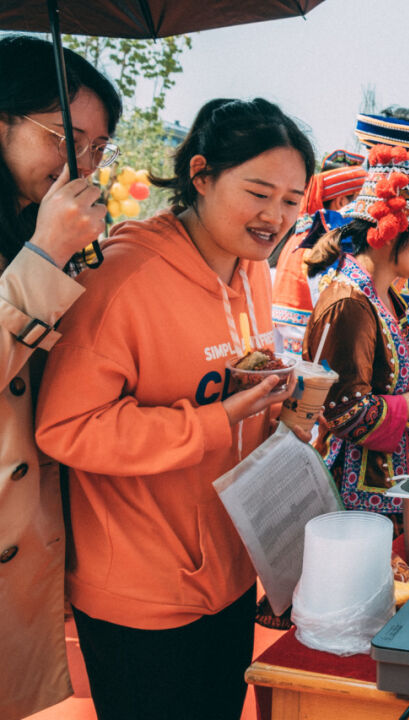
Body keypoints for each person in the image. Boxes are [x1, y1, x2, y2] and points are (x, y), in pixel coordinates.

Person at [34, 98, 314, 719]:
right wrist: (217, 420)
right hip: (143, 595)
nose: (275, 216)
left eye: (292, 201)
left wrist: (282, 410)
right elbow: (66, 427)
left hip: (233, 574)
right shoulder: (121, 277)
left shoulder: (253, 273)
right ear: (201, 175)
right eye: (259, 192)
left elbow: (238, 392)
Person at [0, 35, 121, 720]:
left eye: (98, 147)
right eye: (64, 137)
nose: (83, 162)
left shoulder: (28, 232)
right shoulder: (35, 244)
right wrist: (47, 256)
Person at [302, 142, 409, 521]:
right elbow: (345, 413)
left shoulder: (390, 296)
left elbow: (392, 382)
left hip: (391, 485)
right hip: (354, 500)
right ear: (392, 231)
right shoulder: (349, 303)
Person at [271, 149, 366, 358]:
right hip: (311, 353)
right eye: (360, 201)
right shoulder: (324, 243)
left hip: (289, 348)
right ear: (342, 202)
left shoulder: (300, 235)